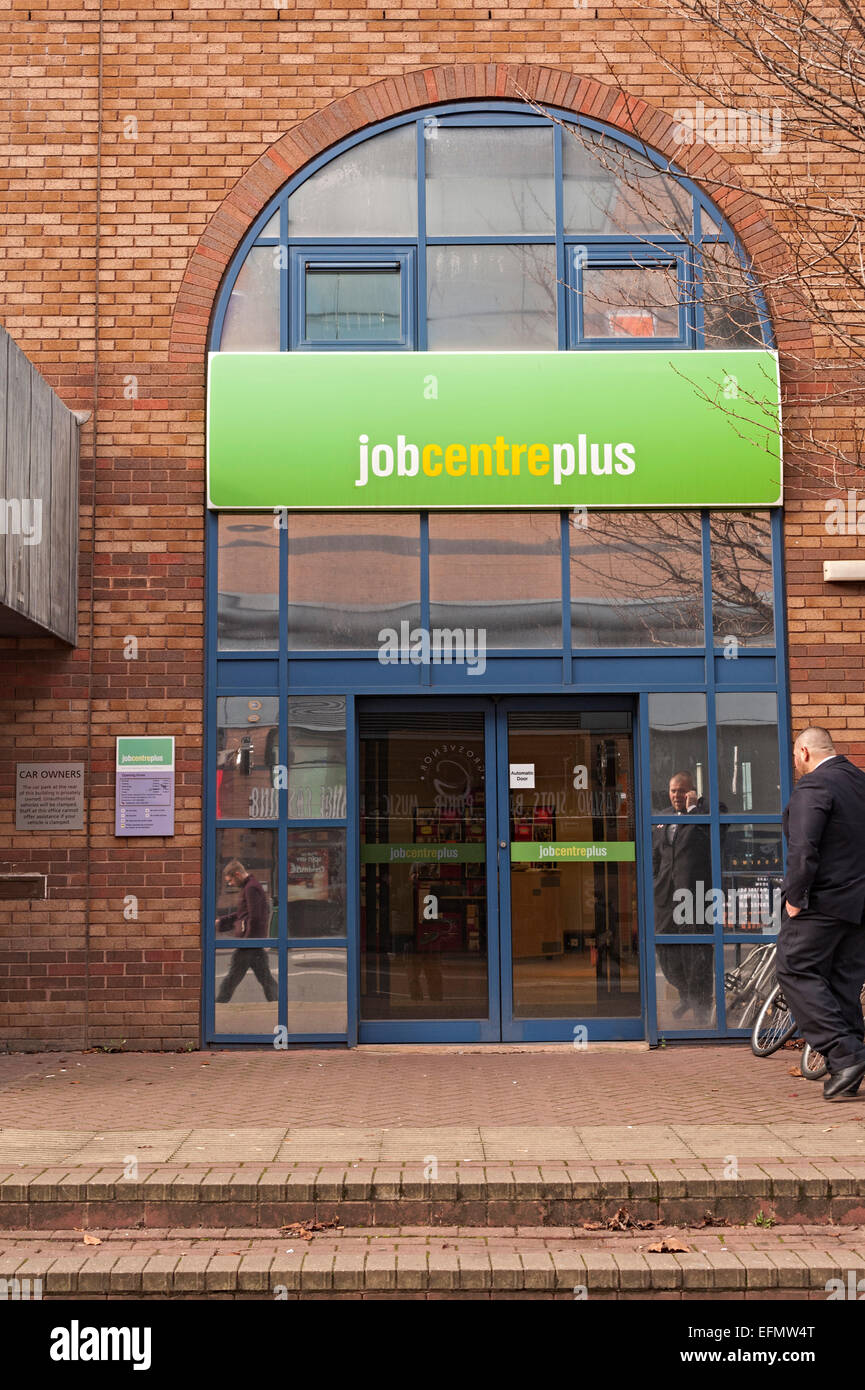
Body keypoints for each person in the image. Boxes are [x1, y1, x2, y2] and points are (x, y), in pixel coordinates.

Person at [776, 727, 865, 1101]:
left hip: (823, 904)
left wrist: (795, 897)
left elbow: (803, 847)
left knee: (794, 967)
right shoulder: (860, 782)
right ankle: (852, 1063)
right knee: (843, 981)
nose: (796, 764)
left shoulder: (814, 787)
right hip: (859, 906)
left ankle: (845, 1055)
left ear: (805, 752)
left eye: (796, 756)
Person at [652, 771, 714, 1024]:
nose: (676, 795)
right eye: (673, 790)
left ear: (691, 792)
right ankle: (686, 993)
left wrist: (693, 809)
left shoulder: (705, 813)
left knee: (697, 950)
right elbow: (656, 852)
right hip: (665, 895)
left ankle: (701, 1007)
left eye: (681, 790)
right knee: (664, 947)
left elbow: (712, 838)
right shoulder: (663, 817)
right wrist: (654, 880)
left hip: (693, 894)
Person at [216, 858, 278, 1004]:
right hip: (252, 943)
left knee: (231, 979)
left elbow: (255, 917)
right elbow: (243, 914)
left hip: (249, 943)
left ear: (237, 874)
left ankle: (218, 1006)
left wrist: (247, 941)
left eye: (230, 880)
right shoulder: (250, 887)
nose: (230, 884)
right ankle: (278, 1003)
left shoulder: (251, 888)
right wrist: (222, 921)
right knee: (265, 978)